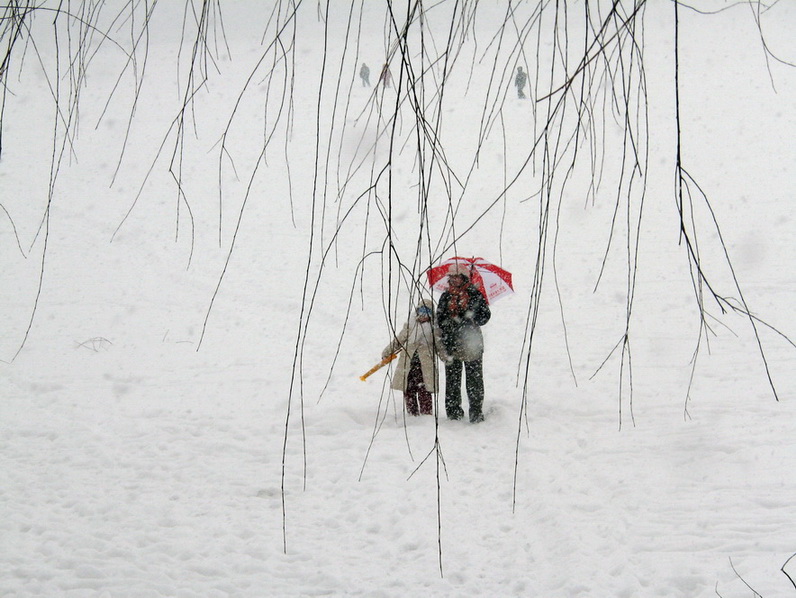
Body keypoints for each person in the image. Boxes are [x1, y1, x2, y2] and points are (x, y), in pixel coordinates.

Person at [436, 264, 491, 423]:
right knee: (452, 381)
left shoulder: (475, 295)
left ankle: (476, 413)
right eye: (451, 277)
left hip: (471, 344)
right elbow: (440, 319)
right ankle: (453, 414)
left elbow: (485, 317)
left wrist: (472, 315)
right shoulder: (445, 296)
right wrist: (452, 321)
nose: (454, 280)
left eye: (457, 276)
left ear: (464, 278)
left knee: (474, 380)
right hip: (451, 343)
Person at [381, 300, 440, 417]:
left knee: (424, 389)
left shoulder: (434, 329)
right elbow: (399, 340)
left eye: (427, 312)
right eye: (421, 311)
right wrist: (388, 351)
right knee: (408, 389)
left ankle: (426, 414)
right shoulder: (411, 325)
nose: (423, 315)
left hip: (425, 365)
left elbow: (439, 345)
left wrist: (446, 357)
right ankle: (412, 414)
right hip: (408, 363)